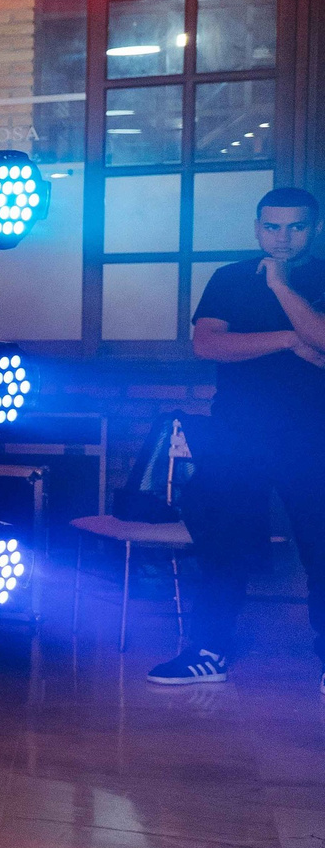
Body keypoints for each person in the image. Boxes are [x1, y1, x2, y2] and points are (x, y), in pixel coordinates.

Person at [157, 186, 325, 689]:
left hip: (312, 436)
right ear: (257, 228)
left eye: (295, 226)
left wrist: (278, 286)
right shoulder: (229, 277)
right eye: (272, 226)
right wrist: (290, 338)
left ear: (313, 229)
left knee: (321, 546)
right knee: (221, 545)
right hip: (238, 434)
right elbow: (208, 343)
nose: (283, 236)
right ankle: (209, 652)